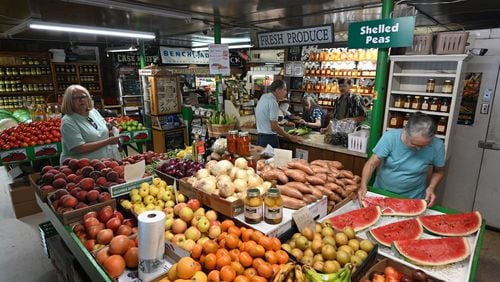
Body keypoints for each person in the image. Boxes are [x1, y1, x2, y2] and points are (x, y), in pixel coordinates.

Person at [358, 113, 445, 207]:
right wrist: (363, 185)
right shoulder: (390, 137)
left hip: (413, 197)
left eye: (424, 146)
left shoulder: (437, 145)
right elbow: (371, 163)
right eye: (414, 144)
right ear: (405, 131)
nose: (419, 149)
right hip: (383, 192)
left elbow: (438, 171)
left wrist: (431, 188)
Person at [60, 84, 121, 164]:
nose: (81, 100)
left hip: (101, 163)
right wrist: (107, 142)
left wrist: (109, 126)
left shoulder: (93, 112)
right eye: (76, 98)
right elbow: (79, 148)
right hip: (80, 167)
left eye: (84, 97)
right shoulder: (68, 121)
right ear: (69, 101)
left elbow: (96, 130)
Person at [255, 79, 302, 148]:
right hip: (269, 139)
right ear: (278, 90)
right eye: (284, 90)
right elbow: (274, 127)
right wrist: (290, 137)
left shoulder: (264, 97)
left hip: (261, 138)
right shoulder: (273, 102)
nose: (285, 92)